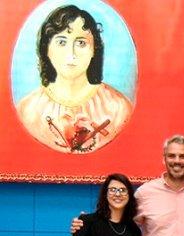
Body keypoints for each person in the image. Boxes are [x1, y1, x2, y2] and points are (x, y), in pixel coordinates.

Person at [17, 4, 132, 153]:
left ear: (93, 50)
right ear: (46, 49)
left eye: (81, 43)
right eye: (61, 42)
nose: (71, 54)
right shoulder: (29, 110)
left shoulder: (118, 107)